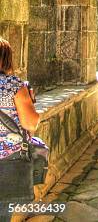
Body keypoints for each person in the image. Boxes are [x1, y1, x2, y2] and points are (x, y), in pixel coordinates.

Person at [0, 38, 40, 221]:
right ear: (6, 58)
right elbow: (31, 124)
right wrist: (30, 100)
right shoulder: (14, 85)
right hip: (7, 162)